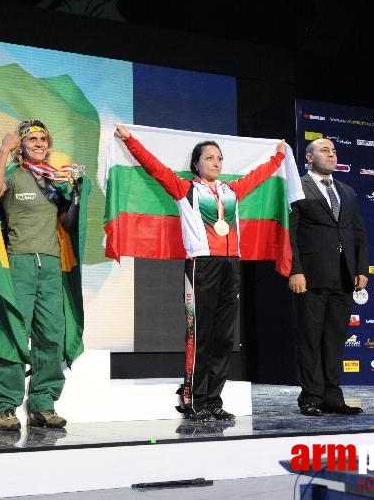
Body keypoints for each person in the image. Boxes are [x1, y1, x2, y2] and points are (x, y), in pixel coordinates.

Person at [113, 124, 287, 422]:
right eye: (209, 158)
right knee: (200, 335)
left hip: (230, 265)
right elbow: (154, 167)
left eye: (219, 158)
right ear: (196, 164)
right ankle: (193, 399)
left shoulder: (231, 190)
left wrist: (278, 158)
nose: (216, 163)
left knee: (224, 338)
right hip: (201, 266)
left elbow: (258, 177)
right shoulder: (185, 189)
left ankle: (213, 400)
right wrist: (130, 140)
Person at [0, 119, 87, 431]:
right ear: (21, 146)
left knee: (51, 334)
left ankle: (43, 404)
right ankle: (4, 407)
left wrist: (77, 196)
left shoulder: (55, 181)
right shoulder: (13, 175)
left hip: (52, 264)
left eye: (44, 139)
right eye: (32, 139)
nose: (40, 144)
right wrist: (3, 150)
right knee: (12, 332)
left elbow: (67, 225)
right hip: (19, 263)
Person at [288, 137, 368, 416]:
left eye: (334, 151)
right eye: (324, 150)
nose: (331, 155)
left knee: (335, 338)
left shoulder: (347, 191)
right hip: (310, 276)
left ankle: (332, 396)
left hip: (344, 276)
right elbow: (290, 234)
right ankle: (310, 396)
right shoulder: (298, 186)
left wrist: (361, 269)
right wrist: (295, 269)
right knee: (310, 338)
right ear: (309, 158)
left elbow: (358, 233)